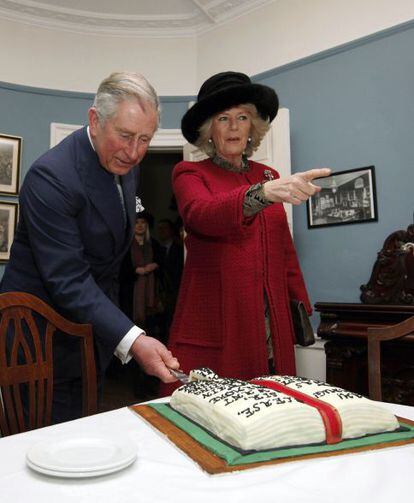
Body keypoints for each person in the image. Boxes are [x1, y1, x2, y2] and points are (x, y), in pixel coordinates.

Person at [0, 71, 179, 423]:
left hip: (90, 339)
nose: (134, 152)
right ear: (95, 120)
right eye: (126, 136)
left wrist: (115, 336)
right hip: (38, 346)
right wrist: (133, 340)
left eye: (145, 139)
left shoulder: (126, 165)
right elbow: (68, 280)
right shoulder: (51, 176)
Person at [161, 71, 330, 394]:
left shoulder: (268, 174)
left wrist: (300, 308)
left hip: (272, 321)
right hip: (221, 320)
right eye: (223, 118)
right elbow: (202, 215)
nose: (235, 126)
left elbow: (285, 251)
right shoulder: (190, 173)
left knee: (273, 408)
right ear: (209, 130)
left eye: (242, 117)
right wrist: (263, 193)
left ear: (254, 126)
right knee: (215, 418)